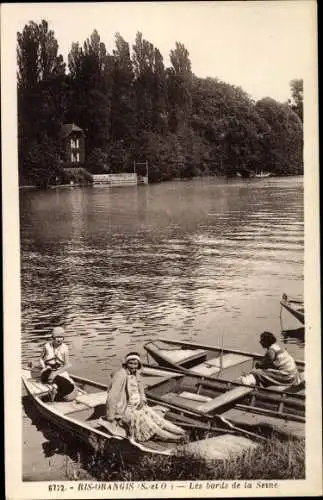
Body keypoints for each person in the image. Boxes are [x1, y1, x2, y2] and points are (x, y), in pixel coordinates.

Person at [102, 352, 186, 442]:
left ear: (138, 365)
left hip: (137, 406)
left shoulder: (136, 374)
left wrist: (142, 400)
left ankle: (181, 431)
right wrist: (110, 417)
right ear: (126, 363)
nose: (133, 366)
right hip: (124, 410)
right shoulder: (121, 375)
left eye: (135, 364)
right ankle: (176, 438)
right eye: (130, 363)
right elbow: (112, 397)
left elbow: (141, 390)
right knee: (150, 424)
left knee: (157, 418)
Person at [237, 331, 301, 388]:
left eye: (262, 340)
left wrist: (252, 371)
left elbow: (263, 365)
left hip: (287, 377)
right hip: (294, 375)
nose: (260, 342)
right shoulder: (277, 347)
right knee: (262, 371)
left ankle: (251, 384)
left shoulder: (271, 351)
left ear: (266, 342)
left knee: (257, 372)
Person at [40, 326, 75, 401]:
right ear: (53, 337)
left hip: (60, 371)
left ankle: (55, 391)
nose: (59, 339)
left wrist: (55, 373)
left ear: (63, 338)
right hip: (48, 371)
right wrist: (44, 367)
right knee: (51, 378)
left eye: (61, 337)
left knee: (70, 390)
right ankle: (53, 390)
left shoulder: (65, 348)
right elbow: (41, 359)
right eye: (57, 337)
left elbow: (67, 365)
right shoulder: (47, 346)